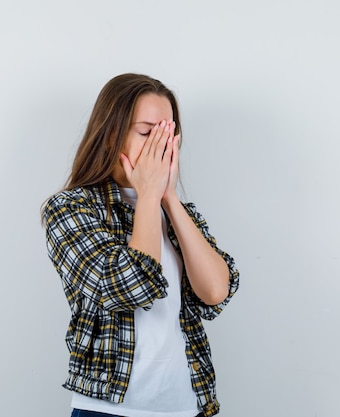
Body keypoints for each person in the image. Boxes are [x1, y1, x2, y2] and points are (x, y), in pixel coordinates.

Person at [42, 73, 239, 417]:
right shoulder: (71, 208)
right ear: (110, 134)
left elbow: (215, 290)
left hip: (185, 405)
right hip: (109, 408)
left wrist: (169, 199)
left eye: (168, 134)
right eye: (148, 132)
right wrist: (148, 197)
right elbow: (132, 287)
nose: (159, 145)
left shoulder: (177, 214)